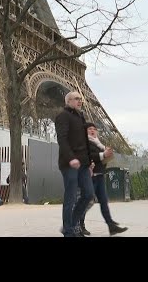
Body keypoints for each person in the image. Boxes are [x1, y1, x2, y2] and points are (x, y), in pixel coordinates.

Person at [55, 91, 94, 237]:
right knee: (70, 197)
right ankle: (69, 231)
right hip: (69, 163)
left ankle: (70, 224)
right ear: (68, 101)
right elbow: (62, 139)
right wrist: (71, 158)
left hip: (83, 164)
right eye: (77, 99)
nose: (80, 101)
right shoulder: (63, 116)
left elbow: (85, 142)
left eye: (80, 99)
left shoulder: (81, 116)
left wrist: (90, 162)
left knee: (89, 194)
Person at [79, 122, 128, 236]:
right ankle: (78, 225)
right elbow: (90, 156)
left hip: (100, 175)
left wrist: (107, 156)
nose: (92, 131)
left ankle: (111, 226)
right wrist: (103, 155)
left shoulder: (99, 144)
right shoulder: (84, 143)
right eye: (90, 129)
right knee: (87, 202)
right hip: (89, 176)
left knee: (104, 202)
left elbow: (100, 160)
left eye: (94, 129)